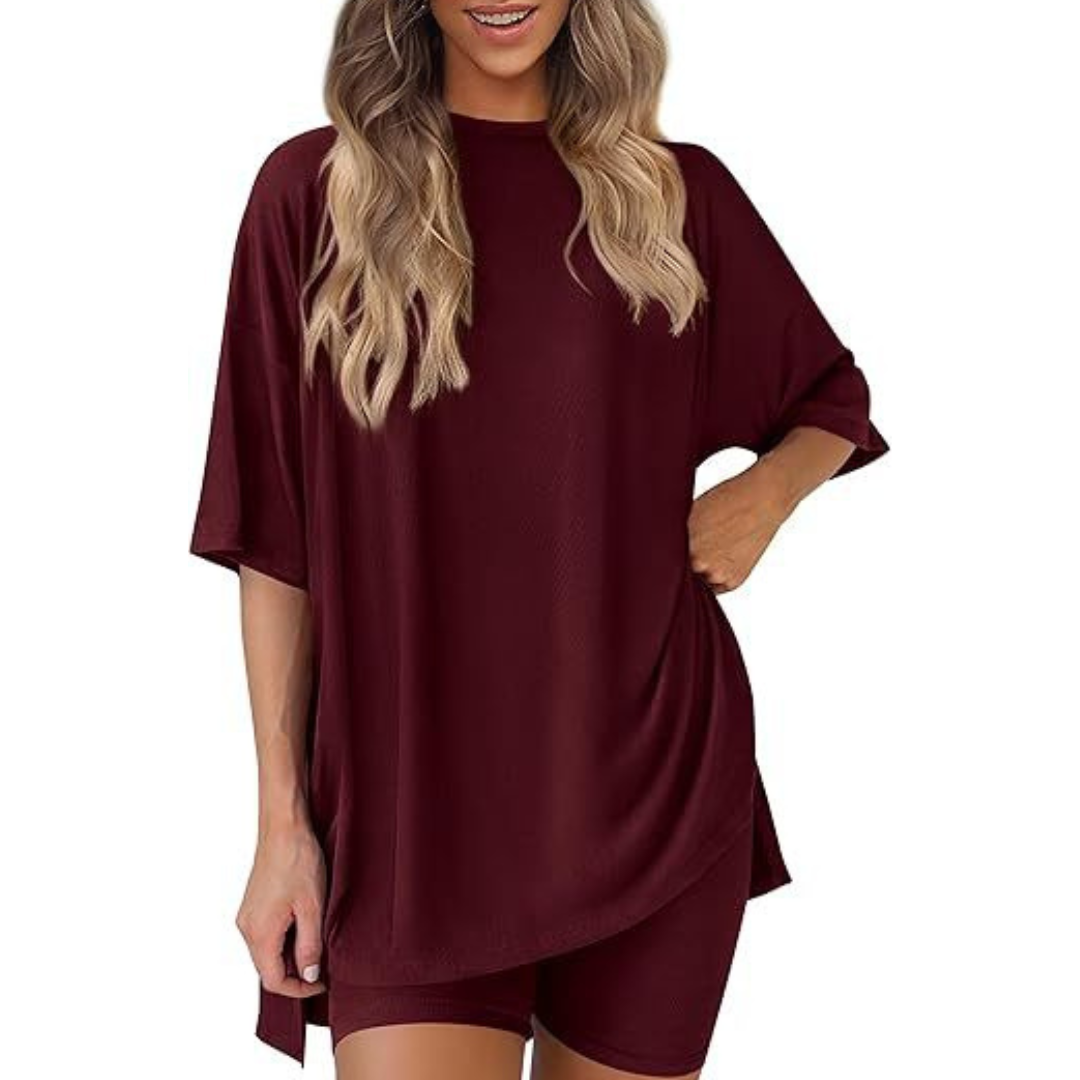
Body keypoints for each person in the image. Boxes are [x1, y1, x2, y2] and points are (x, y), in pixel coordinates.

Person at [189, 1, 890, 1077]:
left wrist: (766, 495)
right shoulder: (315, 193)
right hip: (407, 830)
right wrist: (282, 824)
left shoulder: (672, 198)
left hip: (651, 795)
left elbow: (830, 397)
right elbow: (274, 540)